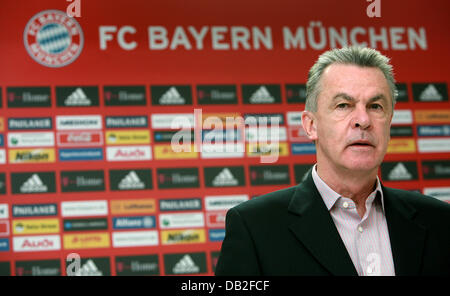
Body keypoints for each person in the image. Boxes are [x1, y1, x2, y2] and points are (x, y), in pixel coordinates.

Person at [215, 46, 450, 276]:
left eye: (375, 106)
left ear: (389, 122)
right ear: (311, 125)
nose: (363, 120)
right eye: (343, 105)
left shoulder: (439, 221)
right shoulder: (254, 228)